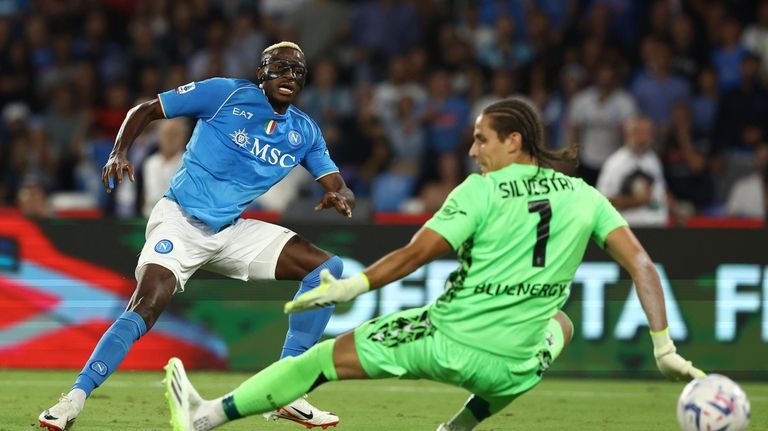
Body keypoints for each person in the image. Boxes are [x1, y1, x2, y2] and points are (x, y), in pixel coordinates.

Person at [164, 98, 705, 431]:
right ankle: (460, 427)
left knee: (317, 362)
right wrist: (664, 347)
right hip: (511, 368)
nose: (472, 151)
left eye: (481, 139)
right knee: (559, 324)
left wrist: (352, 286)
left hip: (445, 339)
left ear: (513, 142)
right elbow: (643, 266)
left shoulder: (482, 190)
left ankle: (205, 417)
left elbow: (417, 253)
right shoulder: (586, 197)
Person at [38, 41, 353, 431]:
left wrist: (339, 192)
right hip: (180, 220)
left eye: (298, 71)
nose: (290, 75)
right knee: (147, 304)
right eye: (281, 67)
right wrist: (118, 151)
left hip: (231, 231)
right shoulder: (225, 93)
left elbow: (336, 181)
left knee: (326, 270)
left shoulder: (303, 131)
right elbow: (146, 109)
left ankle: (288, 390)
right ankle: (74, 399)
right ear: (262, 73)